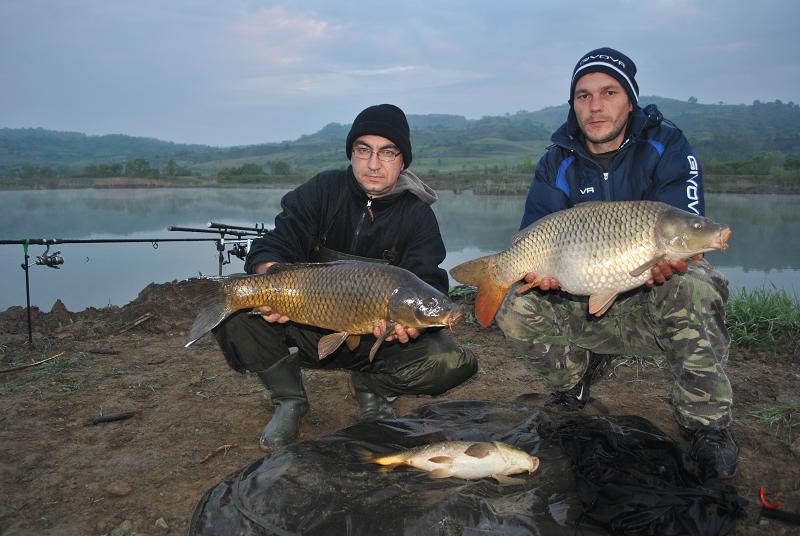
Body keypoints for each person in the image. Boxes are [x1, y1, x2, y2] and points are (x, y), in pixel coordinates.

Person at [494, 47, 738, 478]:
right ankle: (573, 381)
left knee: (695, 283)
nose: (596, 106)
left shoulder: (666, 145)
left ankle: (706, 424)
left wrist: (679, 254)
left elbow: (686, 225)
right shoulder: (556, 161)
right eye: (583, 96)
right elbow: (533, 234)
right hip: (583, 290)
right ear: (573, 104)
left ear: (630, 101)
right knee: (515, 305)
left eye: (609, 92)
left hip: (653, 296)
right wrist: (541, 274)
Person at [213, 104, 478, 450]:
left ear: (403, 161)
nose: (373, 163)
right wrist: (270, 283)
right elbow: (274, 244)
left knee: (452, 362)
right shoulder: (323, 190)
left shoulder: (417, 216)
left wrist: (411, 328)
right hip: (305, 322)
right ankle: (289, 399)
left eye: (387, 152)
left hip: (377, 340)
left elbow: (429, 280)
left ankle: (371, 387)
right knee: (235, 307)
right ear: (351, 154)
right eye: (363, 150)